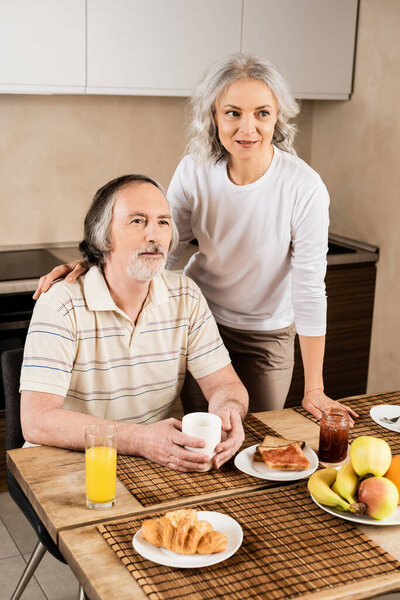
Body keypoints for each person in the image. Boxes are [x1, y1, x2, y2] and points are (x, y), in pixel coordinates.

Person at [33, 54, 357, 424]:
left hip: (265, 335)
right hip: (199, 322)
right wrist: (97, 266)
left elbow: (309, 288)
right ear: (213, 116)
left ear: (278, 116)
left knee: (255, 434)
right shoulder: (195, 169)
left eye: (262, 113)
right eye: (233, 113)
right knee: (198, 430)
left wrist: (314, 387)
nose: (247, 128)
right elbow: (161, 245)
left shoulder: (304, 187)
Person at [21, 175, 248, 472]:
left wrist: (228, 410)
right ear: (104, 236)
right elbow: (36, 421)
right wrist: (140, 440)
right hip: (72, 465)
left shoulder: (186, 296)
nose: (154, 235)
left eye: (163, 222)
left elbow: (225, 384)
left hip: (159, 462)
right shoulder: (60, 304)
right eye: (138, 221)